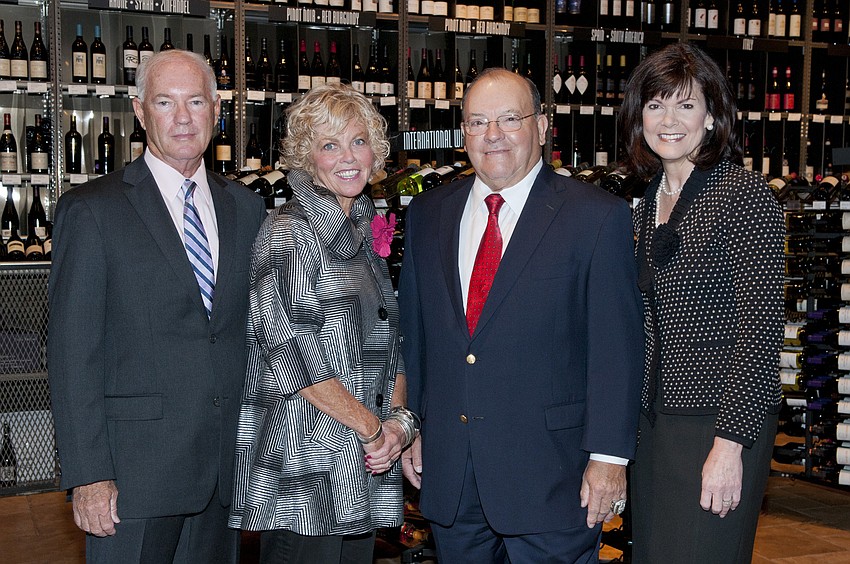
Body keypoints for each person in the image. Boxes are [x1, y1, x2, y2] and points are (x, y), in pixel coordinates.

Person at [397, 67, 644, 562]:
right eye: (477, 121)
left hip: (553, 479)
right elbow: (415, 336)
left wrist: (609, 460)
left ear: (543, 124)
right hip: (452, 474)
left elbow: (616, 350)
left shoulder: (595, 217)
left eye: (510, 118)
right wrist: (414, 425)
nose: (492, 135)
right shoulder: (428, 213)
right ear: (462, 131)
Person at [47, 49, 266, 562]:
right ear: (140, 112)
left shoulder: (245, 207)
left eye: (196, 101)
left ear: (217, 109)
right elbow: (72, 353)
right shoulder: (92, 210)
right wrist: (89, 474)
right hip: (133, 479)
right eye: (165, 102)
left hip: (223, 471)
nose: (184, 117)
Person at [228, 82, 412, 564]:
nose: (348, 156)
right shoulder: (290, 229)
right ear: (308, 159)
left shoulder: (361, 223)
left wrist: (398, 423)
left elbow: (387, 342)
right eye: (330, 145)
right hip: (306, 471)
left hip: (360, 460)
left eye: (358, 140)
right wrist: (374, 430)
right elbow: (288, 357)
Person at [620, 43, 784, 563]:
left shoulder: (744, 196)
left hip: (715, 423)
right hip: (655, 426)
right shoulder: (647, 203)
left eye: (685, 105)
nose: (668, 120)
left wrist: (729, 445)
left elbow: (759, 330)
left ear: (712, 116)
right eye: (655, 105)